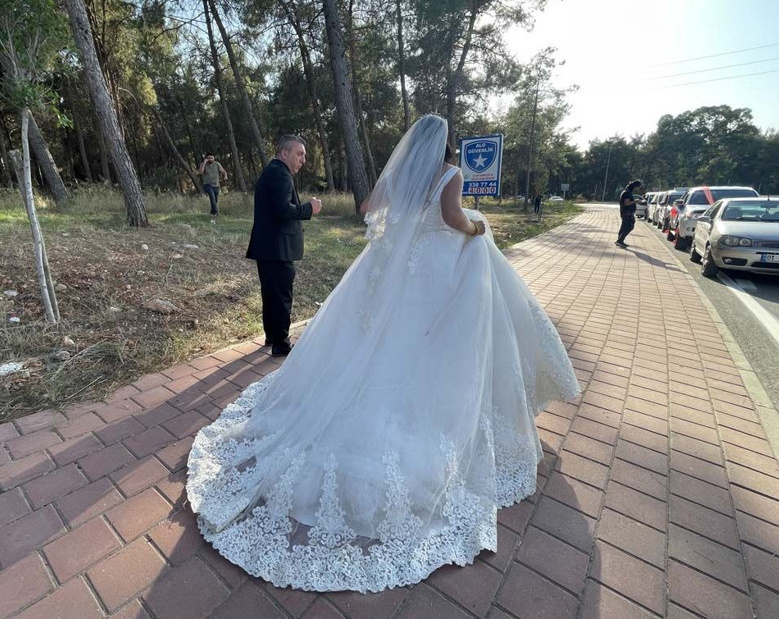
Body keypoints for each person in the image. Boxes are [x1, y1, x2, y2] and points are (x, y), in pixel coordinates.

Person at [186, 115, 580, 593]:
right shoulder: (450, 175)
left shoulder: (399, 176)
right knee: (429, 344)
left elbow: (368, 206)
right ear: (445, 146)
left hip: (397, 268)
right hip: (436, 272)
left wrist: (398, 226)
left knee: (380, 341)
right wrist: (477, 228)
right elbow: (455, 219)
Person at [246, 136, 322, 356]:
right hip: (278, 249)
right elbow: (282, 210)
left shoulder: (272, 171)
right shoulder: (280, 174)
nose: (303, 160)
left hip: (268, 247)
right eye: (299, 154)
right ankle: (281, 343)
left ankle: (272, 335)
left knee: (271, 294)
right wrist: (310, 208)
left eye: (304, 155)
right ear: (284, 153)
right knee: (281, 296)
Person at [199, 154, 228, 221]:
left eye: (212, 158)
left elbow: (223, 171)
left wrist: (225, 176)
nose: (211, 159)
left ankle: (212, 213)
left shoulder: (217, 164)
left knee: (215, 199)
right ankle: (216, 212)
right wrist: (204, 162)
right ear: (206, 158)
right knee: (212, 197)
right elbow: (200, 172)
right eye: (209, 158)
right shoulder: (203, 164)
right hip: (207, 184)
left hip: (216, 184)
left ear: (214, 158)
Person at [616, 179, 642, 248]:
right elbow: (626, 203)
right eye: (638, 187)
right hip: (626, 212)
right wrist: (635, 201)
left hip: (626, 212)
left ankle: (619, 240)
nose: (638, 189)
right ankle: (620, 240)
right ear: (635, 186)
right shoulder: (627, 193)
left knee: (624, 226)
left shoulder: (627, 191)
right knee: (630, 226)